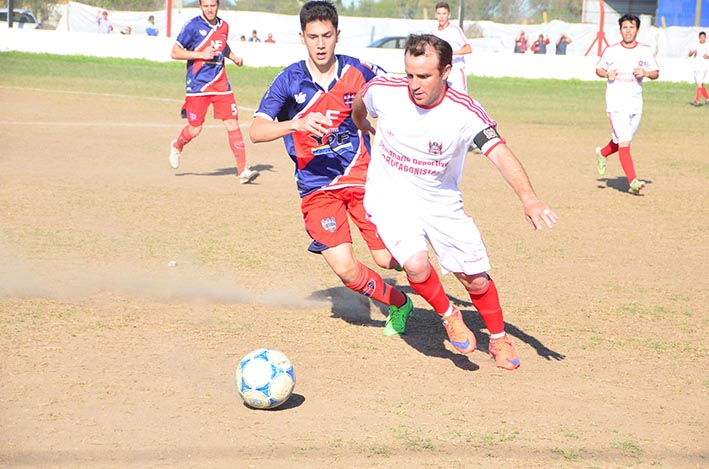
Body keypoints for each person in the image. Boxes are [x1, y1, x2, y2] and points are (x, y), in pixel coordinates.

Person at [352, 34, 559, 370]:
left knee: (475, 279)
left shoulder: (464, 112)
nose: (413, 85)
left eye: (424, 76)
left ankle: (498, 339)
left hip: (440, 201)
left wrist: (529, 199)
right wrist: (360, 122)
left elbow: (501, 154)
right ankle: (449, 316)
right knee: (416, 264)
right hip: (391, 197)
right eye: (409, 74)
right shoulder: (386, 89)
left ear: (446, 71)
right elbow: (363, 99)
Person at [249, 0, 413, 336]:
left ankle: (423, 248)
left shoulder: (360, 71)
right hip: (317, 188)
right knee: (345, 268)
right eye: (313, 36)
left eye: (327, 35)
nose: (320, 43)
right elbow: (257, 131)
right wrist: (296, 124)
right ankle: (399, 303)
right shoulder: (289, 80)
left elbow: (405, 92)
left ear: (338, 35)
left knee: (387, 260)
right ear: (302, 37)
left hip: (363, 180)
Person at [168, 0, 259, 184]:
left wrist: (234, 58)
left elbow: (222, 46)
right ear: (201, 6)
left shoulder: (224, 25)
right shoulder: (193, 26)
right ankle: (177, 145)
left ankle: (242, 171)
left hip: (221, 85)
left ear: (218, 5)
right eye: (205, 6)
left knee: (232, 124)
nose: (209, 9)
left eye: (212, 5)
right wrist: (200, 54)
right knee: (195, 129)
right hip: (198, 86)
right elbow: (175, 52)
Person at [594, 14, 659, 195]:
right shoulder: (611, 50)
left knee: (621, 141)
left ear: (637, 30)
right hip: (616, 103)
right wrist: (606, 74)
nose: (628, 31)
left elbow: (656, 73)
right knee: (625, 143)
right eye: (624, 27)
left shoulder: (645, 50)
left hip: (636, 103)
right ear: (620, 30)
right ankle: (633, 181)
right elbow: (598, 69)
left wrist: (645, 72)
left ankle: (603, 153)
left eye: (631, 27)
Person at [432, 2, 471, 93]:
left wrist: (451, 53)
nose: (441, 16)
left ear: (449, 15)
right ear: (435, 15)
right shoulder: (434, 33)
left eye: (444, 14)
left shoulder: (454, 30)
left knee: (461, 97)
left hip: (456, 71)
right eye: (439, 14)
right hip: (442, 72)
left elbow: (468, 48)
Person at [688, 31, 709, 106]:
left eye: (704, 37)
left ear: (705, 38)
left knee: (699, 84)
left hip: (703, 67)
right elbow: (689, 54)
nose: (702, 39)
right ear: (699, 37)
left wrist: (707, 56)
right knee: (701, 84)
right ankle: (707, 99)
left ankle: (697, 101)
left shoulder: (707, 45)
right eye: (701, 37)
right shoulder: (695, 44)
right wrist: (693, 51)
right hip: (695, 67)